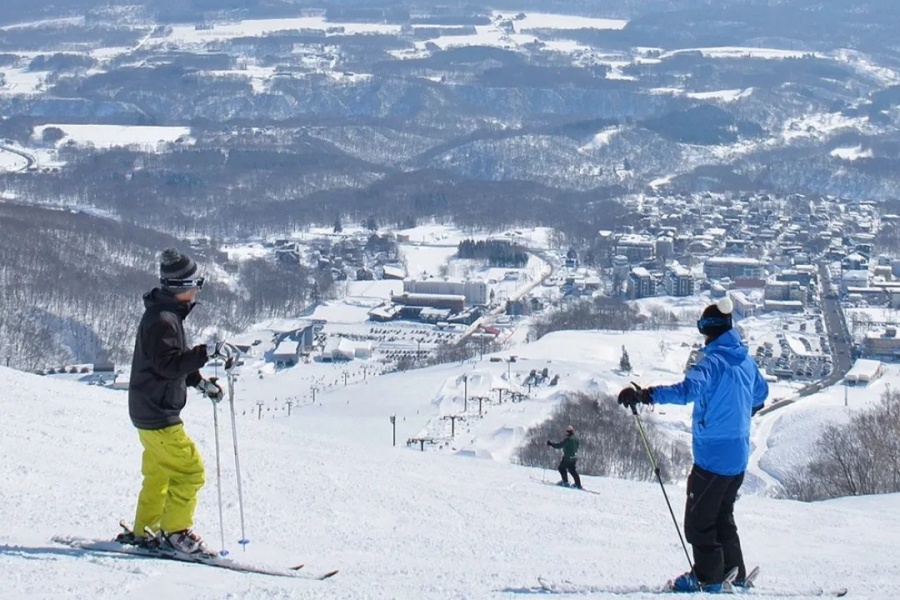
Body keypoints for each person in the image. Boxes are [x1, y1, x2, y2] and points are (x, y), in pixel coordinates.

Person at [617, 296, 768, 592]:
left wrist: (646, 395)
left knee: (699, 521)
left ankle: (708, 577)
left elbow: (687, 390)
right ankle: (733, 573)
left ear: (708, 328)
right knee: (722, 515)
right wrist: (739, 411)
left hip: (713, 457)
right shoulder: (745, 360)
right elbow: (760, 394)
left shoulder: (711, 363)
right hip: (738, 457)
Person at [120, 248, 239, 555]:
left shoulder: (165, 316)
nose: (198, 288)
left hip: (147, 410)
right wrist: (207, 351)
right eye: (195, 282)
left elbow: (168, 364)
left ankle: (144, 530)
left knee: (160, 474)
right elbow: (168, 365)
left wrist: (199, 381)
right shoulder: (163, 320)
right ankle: (175, 532)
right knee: (190, 471)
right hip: (159, 415)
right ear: (180, 287)